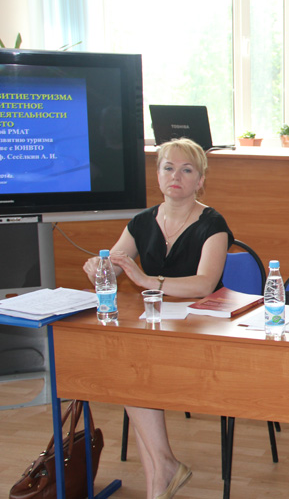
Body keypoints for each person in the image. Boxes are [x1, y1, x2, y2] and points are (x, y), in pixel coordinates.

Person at [83, 138, 233, 499]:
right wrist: (100, 268)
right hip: (157, 328)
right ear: (158, 175)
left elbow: (204, 284)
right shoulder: (141, 222)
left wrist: (148, 280)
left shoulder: (213, 224)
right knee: (128, 369)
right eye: (168, 168)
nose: (175, 176)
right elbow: (114, 265)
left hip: (203, 331)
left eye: (186, 170)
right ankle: (160, 477)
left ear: (200, 181)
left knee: (133, 373)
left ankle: (163, 472)